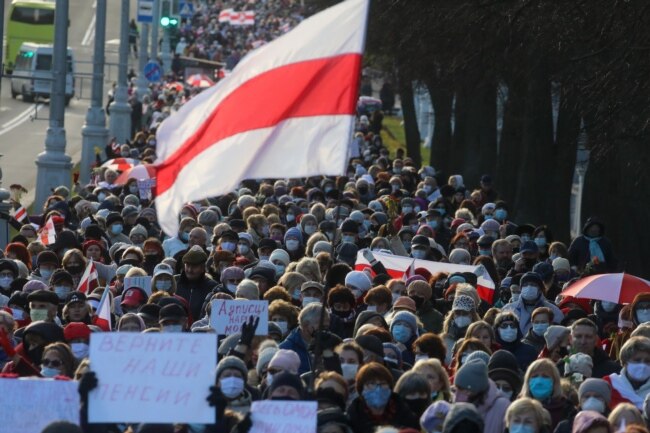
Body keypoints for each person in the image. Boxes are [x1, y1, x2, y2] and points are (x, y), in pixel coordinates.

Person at [346, 362, 419, 433]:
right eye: (371, 383)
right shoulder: (352, 417)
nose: (378, 388)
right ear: (361, 389)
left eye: (383, 383)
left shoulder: (405, 414)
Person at [520, 358, 576, 429]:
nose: (539, 381)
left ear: (554, 382)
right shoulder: (518, 407)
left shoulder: (567, 410)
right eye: (535, 376)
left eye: (545, 376)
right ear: (528, 381)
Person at [605, 336, 650, 410]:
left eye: (647, 361)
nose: (643, 365)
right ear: (625, 362)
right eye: (637, 360)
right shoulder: (609, 385)